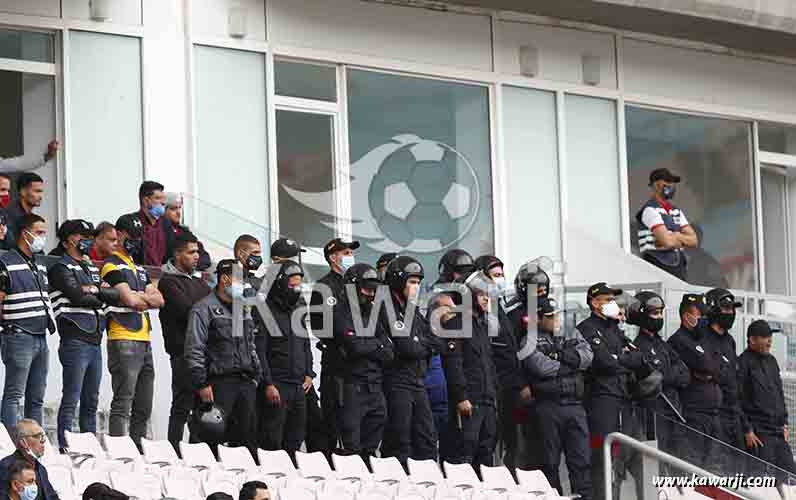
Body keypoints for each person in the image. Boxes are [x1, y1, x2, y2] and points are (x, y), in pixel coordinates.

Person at [48, 219, 122, 450]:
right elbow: (78, 297)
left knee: (91, 401)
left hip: (94, 340)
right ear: (70, 239)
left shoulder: (91, 267)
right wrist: (95, 293)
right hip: (75, 339)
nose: (88, 240)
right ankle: (66, 447)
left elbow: (114, 295)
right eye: (84, 236)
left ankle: (89, 450)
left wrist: (94, 290)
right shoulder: (60, 267)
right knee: (71, 398)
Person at [185, 260, 264, 458]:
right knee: (210, 437)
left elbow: (251, 345)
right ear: (224, 279)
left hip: (245, 383)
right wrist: (201, 383)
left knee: (246, 443)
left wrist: (256, 375)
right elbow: (194, 348)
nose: (243, 283)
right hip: (217, 383)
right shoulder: (203, 308)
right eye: (239, 278)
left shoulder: (243, 309)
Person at [577, 283, 648, 500]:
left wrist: (621, 359)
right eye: (607, 300)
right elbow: (604, 362)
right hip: (602, 403)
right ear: (594, 303)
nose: (612, 304)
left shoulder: (614, 327)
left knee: (639, 461)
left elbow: (640, 359)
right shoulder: (587, 328)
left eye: (613, 300)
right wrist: (624, 359)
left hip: (624, 402)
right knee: (604, 461)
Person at [100, 214, 164, 447]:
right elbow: (132, 301)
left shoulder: (138, 268)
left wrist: (140, 297)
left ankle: (139, 448)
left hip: (144, 338)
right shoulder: (111, 264)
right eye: (131, 235)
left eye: (139, 236)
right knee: (123, 401)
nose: (135, 240)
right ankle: (119, 448)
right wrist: (142, 297)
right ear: (119, 235)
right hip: (122, 336)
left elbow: (160, 300)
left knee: (144, 405)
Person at [522, 296, 592, 499]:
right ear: (539, 318)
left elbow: (588, 357)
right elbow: (541, 367)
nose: (556, 320)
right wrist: (571, 365)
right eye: (551, 317)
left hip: (575, 405)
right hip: (547, 407)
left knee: (581, 462)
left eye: (557, 315)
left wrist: (561, 357)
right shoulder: (530, 339)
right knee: (549, 464)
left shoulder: (571, 332)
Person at [622, 291, 689, 490]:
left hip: (675, 416)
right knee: (655, 476)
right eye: (654, 313)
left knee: (681, 475)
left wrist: (663, 375)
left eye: (660, 313)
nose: (659, 317)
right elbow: (648, 380)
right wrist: (666, 376)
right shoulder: (635, 347)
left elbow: (685, 375)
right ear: (642, 315)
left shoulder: (664, 345)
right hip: (653, 419)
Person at [380, 256, 439, 468]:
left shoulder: (412, 309)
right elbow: (407, 347)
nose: (416, 287)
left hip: (417, 381)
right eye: (412, 282)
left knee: (427, 439)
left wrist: (419, 345)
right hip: (397, 382)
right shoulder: (386, 307)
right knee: (399, 439)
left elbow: (432, 340)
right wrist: (420, 345)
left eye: (418, 282)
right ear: (398, 281)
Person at [474, 255, 530, 473]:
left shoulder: (500, 310)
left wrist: (519, 382)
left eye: (501, 275)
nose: (500, 280)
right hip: (492, 387)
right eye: (494, 275)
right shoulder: (480, 313)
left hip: (509, 387)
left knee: (512, 442)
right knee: (489, 442)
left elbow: (510, 350)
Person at [333, 264, 393, 463]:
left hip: (375, 387)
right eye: (367, 289)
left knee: (370, 450)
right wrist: (376, 344)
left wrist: (369, 344)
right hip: (352, 388)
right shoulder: (340, 313)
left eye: (375, 291)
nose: (372, 295)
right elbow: (355, 347)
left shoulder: (373, 314)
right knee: (352, 450)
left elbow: (389, 351)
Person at [158, 232, 212, 452]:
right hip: (182, 353)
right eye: (191, 252)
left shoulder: (200, 283)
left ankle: (197, 451)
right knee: (182, 405)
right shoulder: (168, 282)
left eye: (198, 251)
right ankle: (174, 451)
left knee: (205, 407)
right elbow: (190, 313)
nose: (196, 256)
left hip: (206, 353)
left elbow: (216, 311)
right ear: (177, 254)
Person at [0, 214, 55, 431]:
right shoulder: (5, 262)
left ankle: (34, 444)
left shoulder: (40, 263)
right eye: (40, 233)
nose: (43, 238)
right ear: (26, 233)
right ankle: (9, 446)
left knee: (37, 398)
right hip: (18, 335)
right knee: (14, 395)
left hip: (40, 335)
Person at [440, 271, 498, 472]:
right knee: (464, 453)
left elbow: (488, 365)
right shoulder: (456, 323)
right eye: (481, 295)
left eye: (487, 295)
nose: (486, 299)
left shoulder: (481, 326)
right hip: (468, 403)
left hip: (487, 402)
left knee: (486, 454)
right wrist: (461, 397)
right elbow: (453, 363)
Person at [258, 260, 314, 456]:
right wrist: (268, 383)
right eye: (292, 284)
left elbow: (305, 344)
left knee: (296, 439)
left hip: (299, 386)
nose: (296, 289)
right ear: (280, 282)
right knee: (272, 440)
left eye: (299, 284)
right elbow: (260, 350)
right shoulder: (264, 310)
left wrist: (309, 373)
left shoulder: (297, 311)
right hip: (277, 385)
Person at [310, 238, 360, 454]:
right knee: (336, 418)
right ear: (333, 257)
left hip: (359, 363)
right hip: (336, 361)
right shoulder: (324, 286)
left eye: (350, 252)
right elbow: (319, 326)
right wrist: (345, 336)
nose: (350, 256)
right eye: (346, 252)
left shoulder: (356, 284)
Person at [667, 293, 722, 471]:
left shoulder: (704, 339)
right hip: (693, 414)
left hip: (713, 414)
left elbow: (719, 368)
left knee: (714, 470)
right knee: (694, 467)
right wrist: (706, 369)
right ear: (687, 316)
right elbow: (706, 366)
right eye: (699, 314)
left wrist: (707, 370)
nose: (703, 319)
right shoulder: (677, 340)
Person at [505, 262, 551, 471]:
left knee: (546, 447)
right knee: (521, 446)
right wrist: (520, 384)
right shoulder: (514, 316)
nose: (540, 295)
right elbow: (509, 355)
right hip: (523, 389)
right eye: (536, 290)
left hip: (548, 389)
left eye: (543, 290)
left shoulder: (550, 314)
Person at [738, 319, 796, 480]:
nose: (769, 340)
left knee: (791, 478)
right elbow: (736, 400)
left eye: (770, 336)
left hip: (778, 432)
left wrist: (785, 423)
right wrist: (747, 430)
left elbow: (779, 393)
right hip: (759, 434)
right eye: (764, 336)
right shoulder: (743, 363)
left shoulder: (772, 361)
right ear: (752, 340)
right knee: (761, 482)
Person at [703, 288, 743, 475]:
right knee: (715, 473)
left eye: (732, 309)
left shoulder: (730, 341)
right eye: (726, 308)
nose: (731, 313)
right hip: (713, 415)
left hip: (733, 415)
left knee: (737, 471)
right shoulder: (701, 337)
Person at [636, 168, 698, 281]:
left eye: (672, 182)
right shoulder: (650, 210)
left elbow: (694, 240)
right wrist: (681, 238)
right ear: (656, 185)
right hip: (658, 268)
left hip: (679, 269)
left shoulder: (676, 211)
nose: (671, 185)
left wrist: (676, 236)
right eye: (667, 181)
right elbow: (667, 242)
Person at [0, 419, 59, 500]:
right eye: (37, 436)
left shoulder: (41, 468)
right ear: (23, 442)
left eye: (43, 436)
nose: (43, 441)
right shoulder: (6, 466)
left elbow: (52, 497)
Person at [125, 181, 170, 266]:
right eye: (158, 198)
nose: (163, 202)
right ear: (146, 201)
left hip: (161, 275)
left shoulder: (166, 224)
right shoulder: (131, 222)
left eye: (163, 198)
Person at [162, 192, 211, 271]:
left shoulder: (184, 230)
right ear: (163, 210)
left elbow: (205, 258)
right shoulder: (160, 230)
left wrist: (190, 264)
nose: (178, 212)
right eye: (173, 209)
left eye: (179, 208)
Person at [6, 174, 45, 248]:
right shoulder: (10, 216)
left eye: (41, 192)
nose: (41, 196)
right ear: (23, 191)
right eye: (37, 191)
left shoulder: (30, 216)